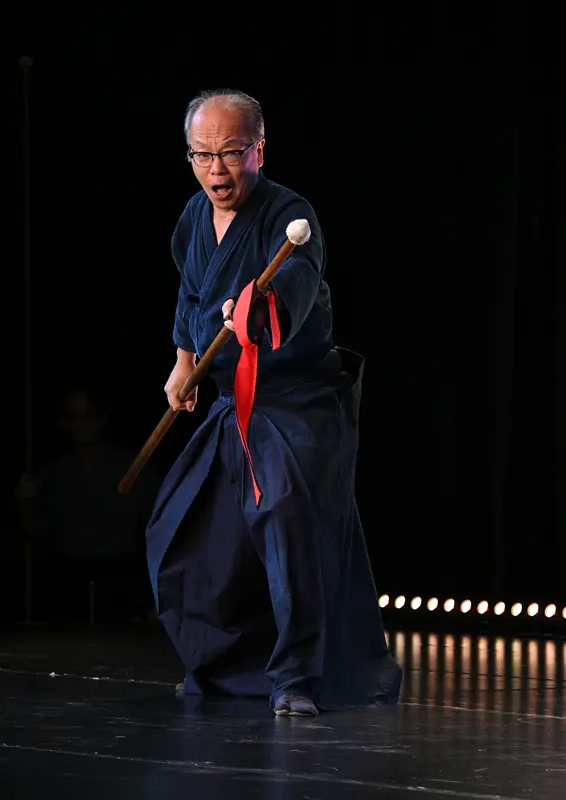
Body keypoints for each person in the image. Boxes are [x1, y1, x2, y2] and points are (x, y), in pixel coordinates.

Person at [146, 88, 402, 716]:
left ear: (259, 150)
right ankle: (220, 666)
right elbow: (189, 296)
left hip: (295, 404)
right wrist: (184, 363)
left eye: (231, 154)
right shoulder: (193, 217)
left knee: (288, 524)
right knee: (186, 530)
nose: (216, 171)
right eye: (202, 156)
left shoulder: (293, 217)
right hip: (230, 406)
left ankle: (298, 679)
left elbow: (292, 286)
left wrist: (254, 310)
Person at [15, 384, 159, 623]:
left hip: (123, 578)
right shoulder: (52, 474)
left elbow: (155, 525)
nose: (83, 424)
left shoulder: (133, 467)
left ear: (102, 419)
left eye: (89, 415)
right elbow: (37, 532)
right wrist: (23, 504)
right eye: (74, 417)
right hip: (68, 580)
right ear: (63, 424)